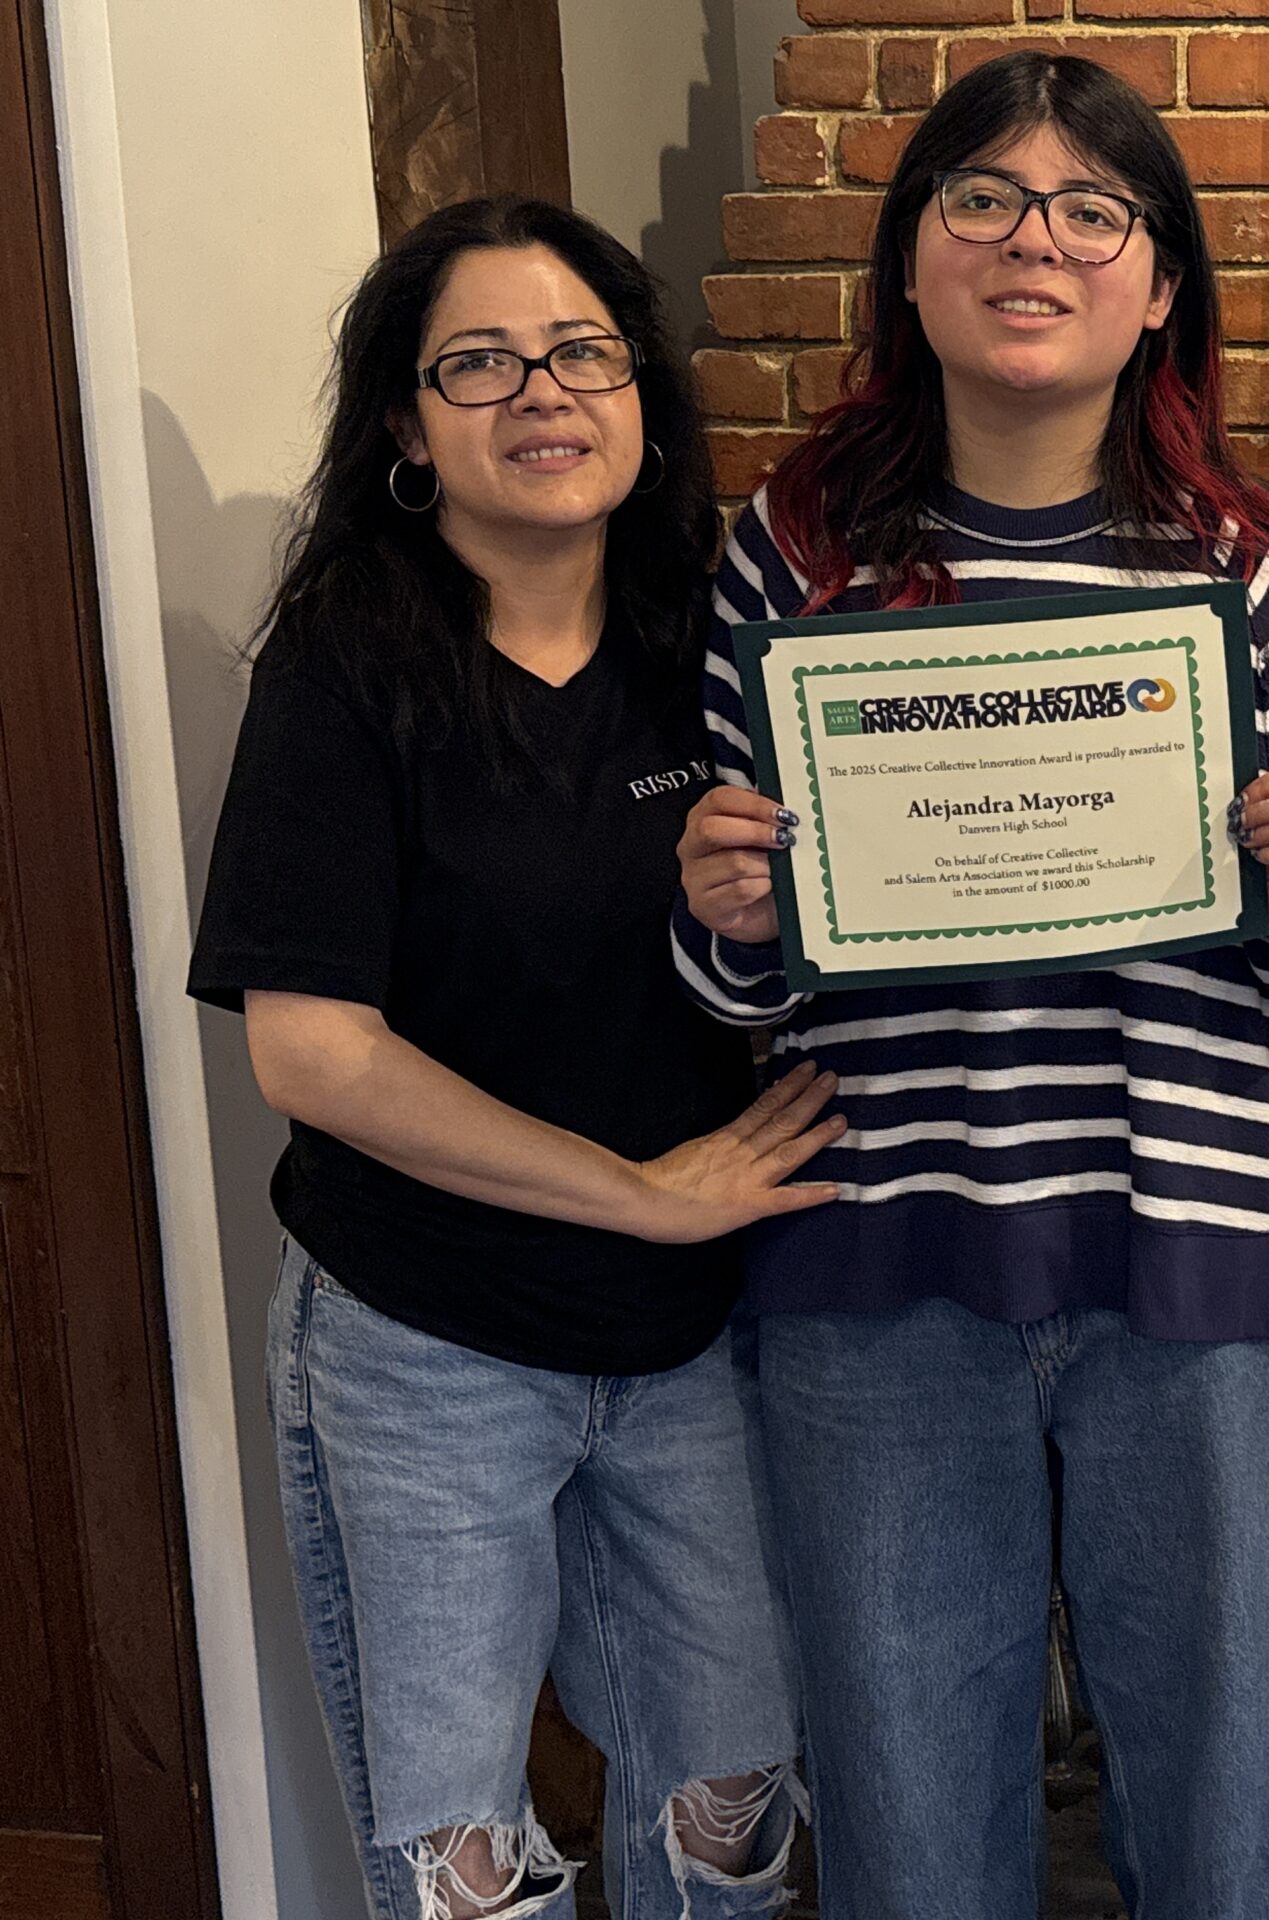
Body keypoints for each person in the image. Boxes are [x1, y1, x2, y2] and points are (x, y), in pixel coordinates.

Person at [668, 52, 1269, 1920]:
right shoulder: (796, 556)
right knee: (908, 1800)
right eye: (980, 200)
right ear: (910, 267)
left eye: (1093, 210)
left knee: (1228, 1808)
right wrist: (729, 913)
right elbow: (740, 982)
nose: (1034, 243)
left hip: (1206, 1235)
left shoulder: (1256, 568)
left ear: (1159, 286)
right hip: (884, 1233)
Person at [188, 197, 834, 1920]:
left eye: (578, 353)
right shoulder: (345, 671)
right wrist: (635, 1192)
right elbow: (315, 1058)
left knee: (735, 1810)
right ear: (408, 424)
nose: (538, 392)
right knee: (466, 1859)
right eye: (478, 362)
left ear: (638, 394)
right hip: (426, 1340)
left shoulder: (717, 648)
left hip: (686, 1339)